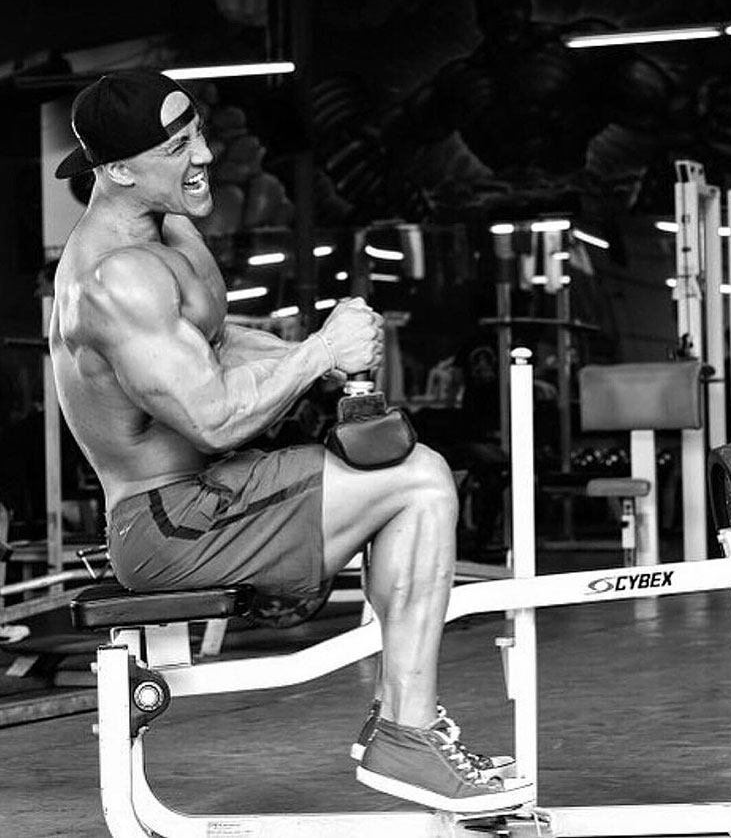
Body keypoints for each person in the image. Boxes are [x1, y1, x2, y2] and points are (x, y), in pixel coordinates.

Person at [49, 69, 531, 814]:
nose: (204, 153)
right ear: (117, 170)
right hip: (166, 524)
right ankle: (404, 735)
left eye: (200, 131)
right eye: (179, 146)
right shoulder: (114, 281)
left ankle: (404, 720)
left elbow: (207, 341)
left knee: (408, 480)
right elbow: (209, 417)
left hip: (208, 499)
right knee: (422, 481)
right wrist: (318, 355)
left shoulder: (167, 225)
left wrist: (305, 353)